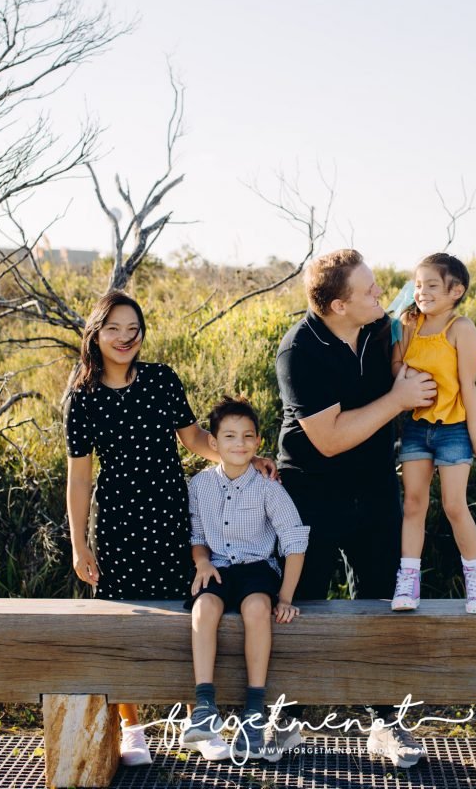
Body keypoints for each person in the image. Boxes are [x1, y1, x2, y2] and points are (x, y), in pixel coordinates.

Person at [64, 291, 276, 766]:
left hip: (171, 515)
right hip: (117, 522)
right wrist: (79, 545)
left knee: (188, 614)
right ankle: (132, 729)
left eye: (133, 329)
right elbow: (78, 478)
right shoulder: (82, 398)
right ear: (96, 334)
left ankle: (197, 721)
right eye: (114, 329)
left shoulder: (161, 379)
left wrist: (243, 456)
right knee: (125, 620)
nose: (125, 338)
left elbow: (195, 437)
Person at [275, 248, 437, 768]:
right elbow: (329, 439)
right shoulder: (298, 351)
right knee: (299, 602)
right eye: (368, 290)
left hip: (374, 487)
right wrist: (398, 399)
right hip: (310, 492)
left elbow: (426, 305)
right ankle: (285, 719)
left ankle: (385, 722)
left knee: (384, 600)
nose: (380, 293)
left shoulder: (380, 326)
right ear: (339, 306)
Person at [182, 395, 309, 762]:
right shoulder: (199, 485)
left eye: (247, 436)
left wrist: (285, 597)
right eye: (230, 436)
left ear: (258, 442)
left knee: (256, 609)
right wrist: (201, 563)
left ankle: (254, 713)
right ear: (213, 442)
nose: (239, 444)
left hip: (257, 567)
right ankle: (205, 705)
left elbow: (294, 541)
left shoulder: (268, 487)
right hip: (218, 566)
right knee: (204, 607)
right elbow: (197, 535)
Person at [390, 253, 476, 614]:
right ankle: (408, 580)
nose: (422, 292)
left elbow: (468, 385)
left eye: (432, 285)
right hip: (417, 428)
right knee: (414, 504)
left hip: (454, 429)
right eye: (418, 285)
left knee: (453, 505)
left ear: (456, 291)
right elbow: (396, 364)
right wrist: (406, 378)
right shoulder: (409, 324)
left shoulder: (460, 328)